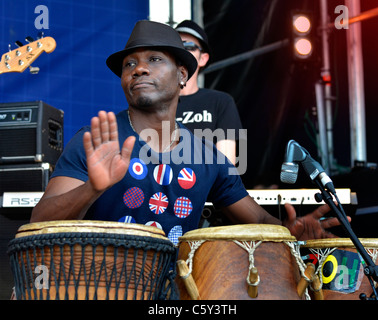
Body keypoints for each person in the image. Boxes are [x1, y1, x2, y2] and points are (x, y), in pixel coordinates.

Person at [31, 20, 342, 246]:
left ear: (182, 75)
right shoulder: (97, 141)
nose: (138, 69)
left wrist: (289, 230)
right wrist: (92, 189)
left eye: (154, 60)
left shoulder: (206, 157)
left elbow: (258, 220)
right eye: (129, 64)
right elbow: (39, 222)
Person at [175, 20, 243, 166]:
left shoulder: (221, 102)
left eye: (188, 46)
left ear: (203, 58)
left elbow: (226, 167)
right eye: (177, 47)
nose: (182, 52)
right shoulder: (154, 106)